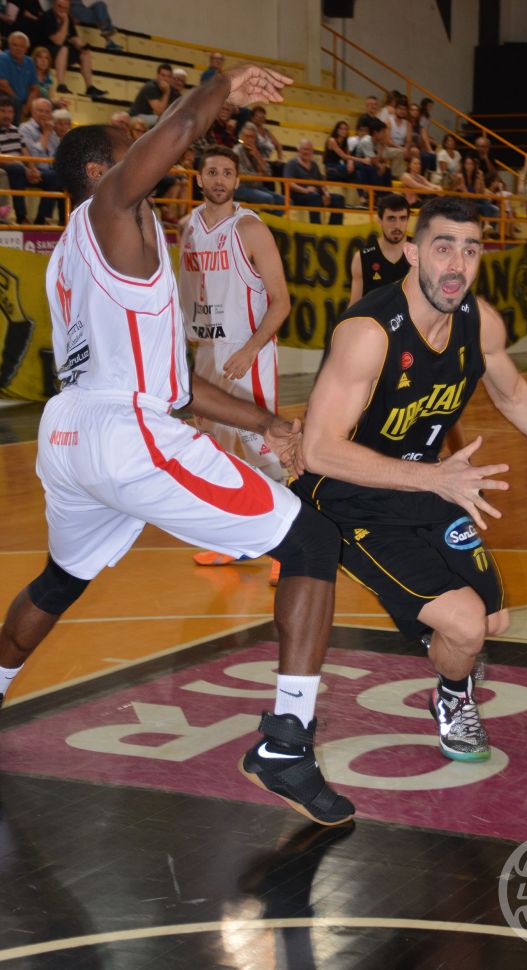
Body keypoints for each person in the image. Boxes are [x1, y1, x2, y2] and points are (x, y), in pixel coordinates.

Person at [0, 64, 355, 829]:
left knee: (60, 580)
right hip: (123, 433)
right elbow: (183, 127)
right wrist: (224, 83)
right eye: (127, 144)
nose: (145, 147)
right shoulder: (110, 209)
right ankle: (286, 745)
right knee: (312, 541)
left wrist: (268, 423)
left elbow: (176, 386)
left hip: (69, 433)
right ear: (100, 171)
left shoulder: (75, 256)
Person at [292, 195, 527, 762]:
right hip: (353, 500)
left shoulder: (478, 321)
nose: (456, 265)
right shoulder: (370, 331)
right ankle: (452, 696)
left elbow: (515, 396)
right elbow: (319, 449)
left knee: (492, 620)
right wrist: (434, 480)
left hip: (435, 483)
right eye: (443, 247)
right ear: (412, 252)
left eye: (470, 250)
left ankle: (440, 634)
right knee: (468, 626)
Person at [179, 144, 291, 566]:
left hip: (248, 352)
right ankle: (233, 541)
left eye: (227, 173)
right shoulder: (187, 228)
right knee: (216, 451)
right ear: (199, 178)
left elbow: (281, 302)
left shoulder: (250, 229)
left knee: (265, 448)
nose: (219, 180)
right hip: (208, 352)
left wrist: (250, 350)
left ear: (238, 181)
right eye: (212, 172)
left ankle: (288, 549)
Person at [34, 0, 106, 100]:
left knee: (84, 53)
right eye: (60, 6)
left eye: (65, 8)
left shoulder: (68, 18)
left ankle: (90, 87)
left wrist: (83, 46)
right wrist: (65, 22)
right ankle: (61, 85)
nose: (62, 10)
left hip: (62, 53)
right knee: (64, 49)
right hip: (45, 52)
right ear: (54, 5)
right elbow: (58, 41)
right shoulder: (47, 17)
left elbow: (74, 37)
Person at [349, 192, 411, 304]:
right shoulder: (363, 258)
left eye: (402, 218)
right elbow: (354, 307)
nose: (397, 225)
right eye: (391, 218)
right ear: (379, 220)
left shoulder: (422, 253)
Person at [0, 92, 50, 223]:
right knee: (17, 169)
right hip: (6, 169)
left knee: (52, 177)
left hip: (20, 169)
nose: (7, 115)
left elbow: (25, 152)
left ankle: (41, 219)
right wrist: (24, 169)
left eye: (10, 112)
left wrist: (33, 169)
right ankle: (21, 217)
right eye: (3, 111)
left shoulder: (16, 130)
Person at [18, 95, 61, 221]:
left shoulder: (52, 131)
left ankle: (63, 222)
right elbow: (33, 157)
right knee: (55, 177)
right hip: (30, 170)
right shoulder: (25, 128)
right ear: (33, 112)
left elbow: (57, 154)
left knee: (65, 179)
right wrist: (46, 134)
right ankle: (38, 219)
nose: (44, 114)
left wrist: (49, 132)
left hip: (49, 172)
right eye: (40, 111)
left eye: (47, 112)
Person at [284, 139, 344, 225]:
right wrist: (305, 190)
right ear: (299, 150)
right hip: (298, 195)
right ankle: (316, 226)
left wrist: (326, 193)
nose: (307, 152)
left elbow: (321, 182)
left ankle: (334, 228)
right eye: (304, 149)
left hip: (315, 195)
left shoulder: (314, 165)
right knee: (314, 197)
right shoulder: (292, 163)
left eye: (309, 150)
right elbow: (288, 183)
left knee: (339, 199)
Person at [233, 121, 285, 212]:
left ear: (256, 139)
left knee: (286, 201)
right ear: (241, 137)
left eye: (252, 137)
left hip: (257, 187)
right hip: (240, 188)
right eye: (247, 136)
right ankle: (267, 220)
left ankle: (269, 218)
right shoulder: (236, 152)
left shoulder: (258, 151)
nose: (249, 139)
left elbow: (268, 173)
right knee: (268, 198)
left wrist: (257, 156)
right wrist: (260, 175)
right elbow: (243, 175)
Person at [0, 30, 39, 122]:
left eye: (22, 46)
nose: (18, 48)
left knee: (44, 104)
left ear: (26, 48)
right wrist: (19, 102)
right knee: (14, 102)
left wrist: (27, 106)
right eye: (15, 45)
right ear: (9, 46)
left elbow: (34, 88)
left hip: (24, 100)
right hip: (6, 98)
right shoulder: (3, 58)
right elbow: (3, 85)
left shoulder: (29, 61)